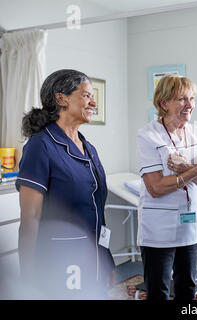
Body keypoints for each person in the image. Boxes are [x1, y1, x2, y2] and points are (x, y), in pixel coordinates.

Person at [16, 69, 115, 299]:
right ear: (61, 98)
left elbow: (98, 211)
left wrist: (106, 258)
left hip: (94, 261)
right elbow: (30, 219)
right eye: (87, 95)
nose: (93, 102)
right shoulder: (40, 146)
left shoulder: (88, 149)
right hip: (59, 265)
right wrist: (28, 280)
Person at [136, 75, 197, 300]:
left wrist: (185, 168)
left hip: (189, 227)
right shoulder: (148, 135)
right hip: (159, 229)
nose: (190, 105)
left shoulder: (196, 133)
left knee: (187, 288)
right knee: (158, 291)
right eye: (182, 99)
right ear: (164, 103)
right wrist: (195, 170)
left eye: (192, 98)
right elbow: (156, 187)